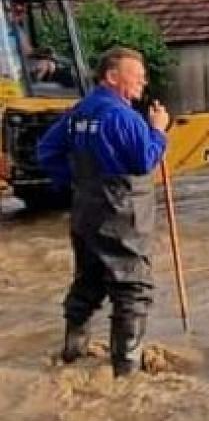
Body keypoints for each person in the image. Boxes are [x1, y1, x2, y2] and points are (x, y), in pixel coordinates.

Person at [36, 47, 170, 377]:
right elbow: (144, 160)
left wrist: (77, 184)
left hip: (85, 214)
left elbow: (46, 151)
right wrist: (159, 130)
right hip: (122, 216)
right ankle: (126, 373)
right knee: (132, 289)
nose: (143, 82)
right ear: (112, 76)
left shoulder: (79, 113)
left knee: (89, 282)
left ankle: (73, 351)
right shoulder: (124, 117)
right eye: (135, 76)